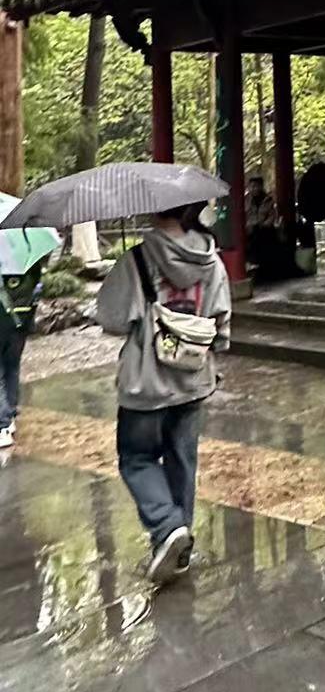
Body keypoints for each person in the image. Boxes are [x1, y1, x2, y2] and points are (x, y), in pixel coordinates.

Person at [97, 203, 231, 584]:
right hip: (192, 381)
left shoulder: (138, 258)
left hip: (146, 384)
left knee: (136, 458)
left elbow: (112, 319)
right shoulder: (212, 261)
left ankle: (167, 526)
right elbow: (221, 326)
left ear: (153, 211)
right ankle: (180, 547)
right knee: (182, 461)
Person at [0, 257, 47, 450]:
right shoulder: (28, 257)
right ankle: (10, 415)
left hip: (2, 321)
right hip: (22, 323)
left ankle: (2, 426)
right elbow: (37, 289)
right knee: (12, 368)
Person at [244, 174, 279, 271]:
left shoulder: (268, 200)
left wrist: (264, 224)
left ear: (261, 186)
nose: (253, 189)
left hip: (264, 229)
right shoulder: (245, 200)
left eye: (256, 186)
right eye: (251, 186)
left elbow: (272, 215)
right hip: (250, 229)